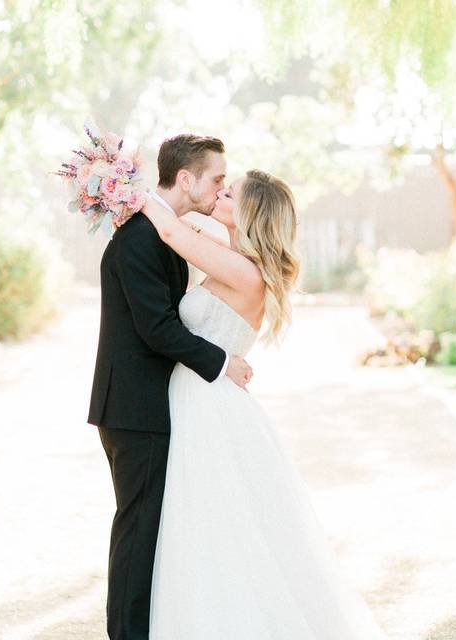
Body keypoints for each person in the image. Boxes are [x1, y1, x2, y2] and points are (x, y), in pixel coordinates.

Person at [140, 170, 388, 639]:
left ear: (249, 213)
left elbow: (170, 229)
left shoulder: (244, 271)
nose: (220, 192)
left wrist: (125, 187)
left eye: (230, 193)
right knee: (204, 522)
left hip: (208, 406)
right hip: (201, 396)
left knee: (210, 522)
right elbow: (181, 230)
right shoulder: (230, 257)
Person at [87, 134, 254, 640]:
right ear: (187, 179)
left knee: (149, 533)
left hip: (147, 406)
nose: (222, 188)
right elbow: (157, 328)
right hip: (135, 410)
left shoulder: (161, 231)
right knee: (137, 535)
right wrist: (223, 361)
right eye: (218, 179)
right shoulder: (140, 236)